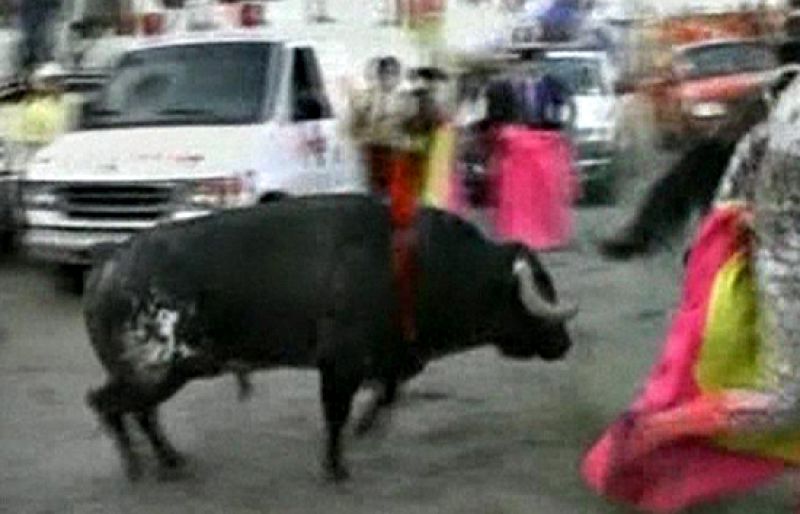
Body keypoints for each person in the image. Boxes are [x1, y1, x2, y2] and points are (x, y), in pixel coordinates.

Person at [583, 73, 800, 512]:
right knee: (786, 400)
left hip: (768, 255)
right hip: (787, 265)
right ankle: (657, 431)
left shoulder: (787, 87)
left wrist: (727, 220)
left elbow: (743, 155)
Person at [487, 72, 579, 251]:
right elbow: (494, 116)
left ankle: (543, 230)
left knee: (542, 188)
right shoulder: (501, 86)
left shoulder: (551, 82)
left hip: (544, 142)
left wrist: (567, 128)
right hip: (517, 145)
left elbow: (569, 104)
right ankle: (520, 231)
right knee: (520, 190)